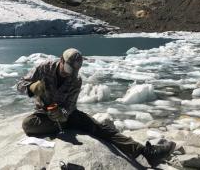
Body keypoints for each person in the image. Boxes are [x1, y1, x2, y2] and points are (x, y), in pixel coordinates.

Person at [17, 48, 175, 167]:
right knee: (27, 125)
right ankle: (58, 127)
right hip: (43, 114)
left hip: (67, 116)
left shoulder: (75, 80)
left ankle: (146, 152)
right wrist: (31, 88)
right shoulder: (44, 68)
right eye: (68, 69)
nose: (69, 73)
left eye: (74, 70)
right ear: (61, 61)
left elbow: (70, 106)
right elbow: (19, 85)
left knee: (101, 129)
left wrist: (62, 114)